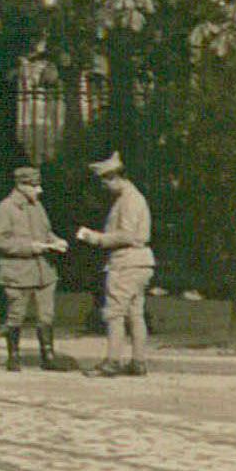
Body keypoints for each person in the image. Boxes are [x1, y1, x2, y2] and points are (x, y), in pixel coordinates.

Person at [74, 150, 155, 376]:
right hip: (141, 263)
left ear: (114, 177)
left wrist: (96, 238)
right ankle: (138, 362)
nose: (104, 187)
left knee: (114, 314)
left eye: (105, 182)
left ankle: (112, 362)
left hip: (125, 263)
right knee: (135, 313)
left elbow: (127, 234)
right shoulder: (134, 197)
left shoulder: (128, 200)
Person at [0, 164, 69, 371]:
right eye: (34, 186)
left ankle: (48, 356)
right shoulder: (4, 209)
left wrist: (56, 241)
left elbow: (46, 231)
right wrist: (29, 247)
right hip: (18, 271)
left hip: (44, 271)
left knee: (46, 315)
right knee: (16, 314)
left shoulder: (37, 206)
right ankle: (13, 356)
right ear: (21, 186)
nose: (38, 190)